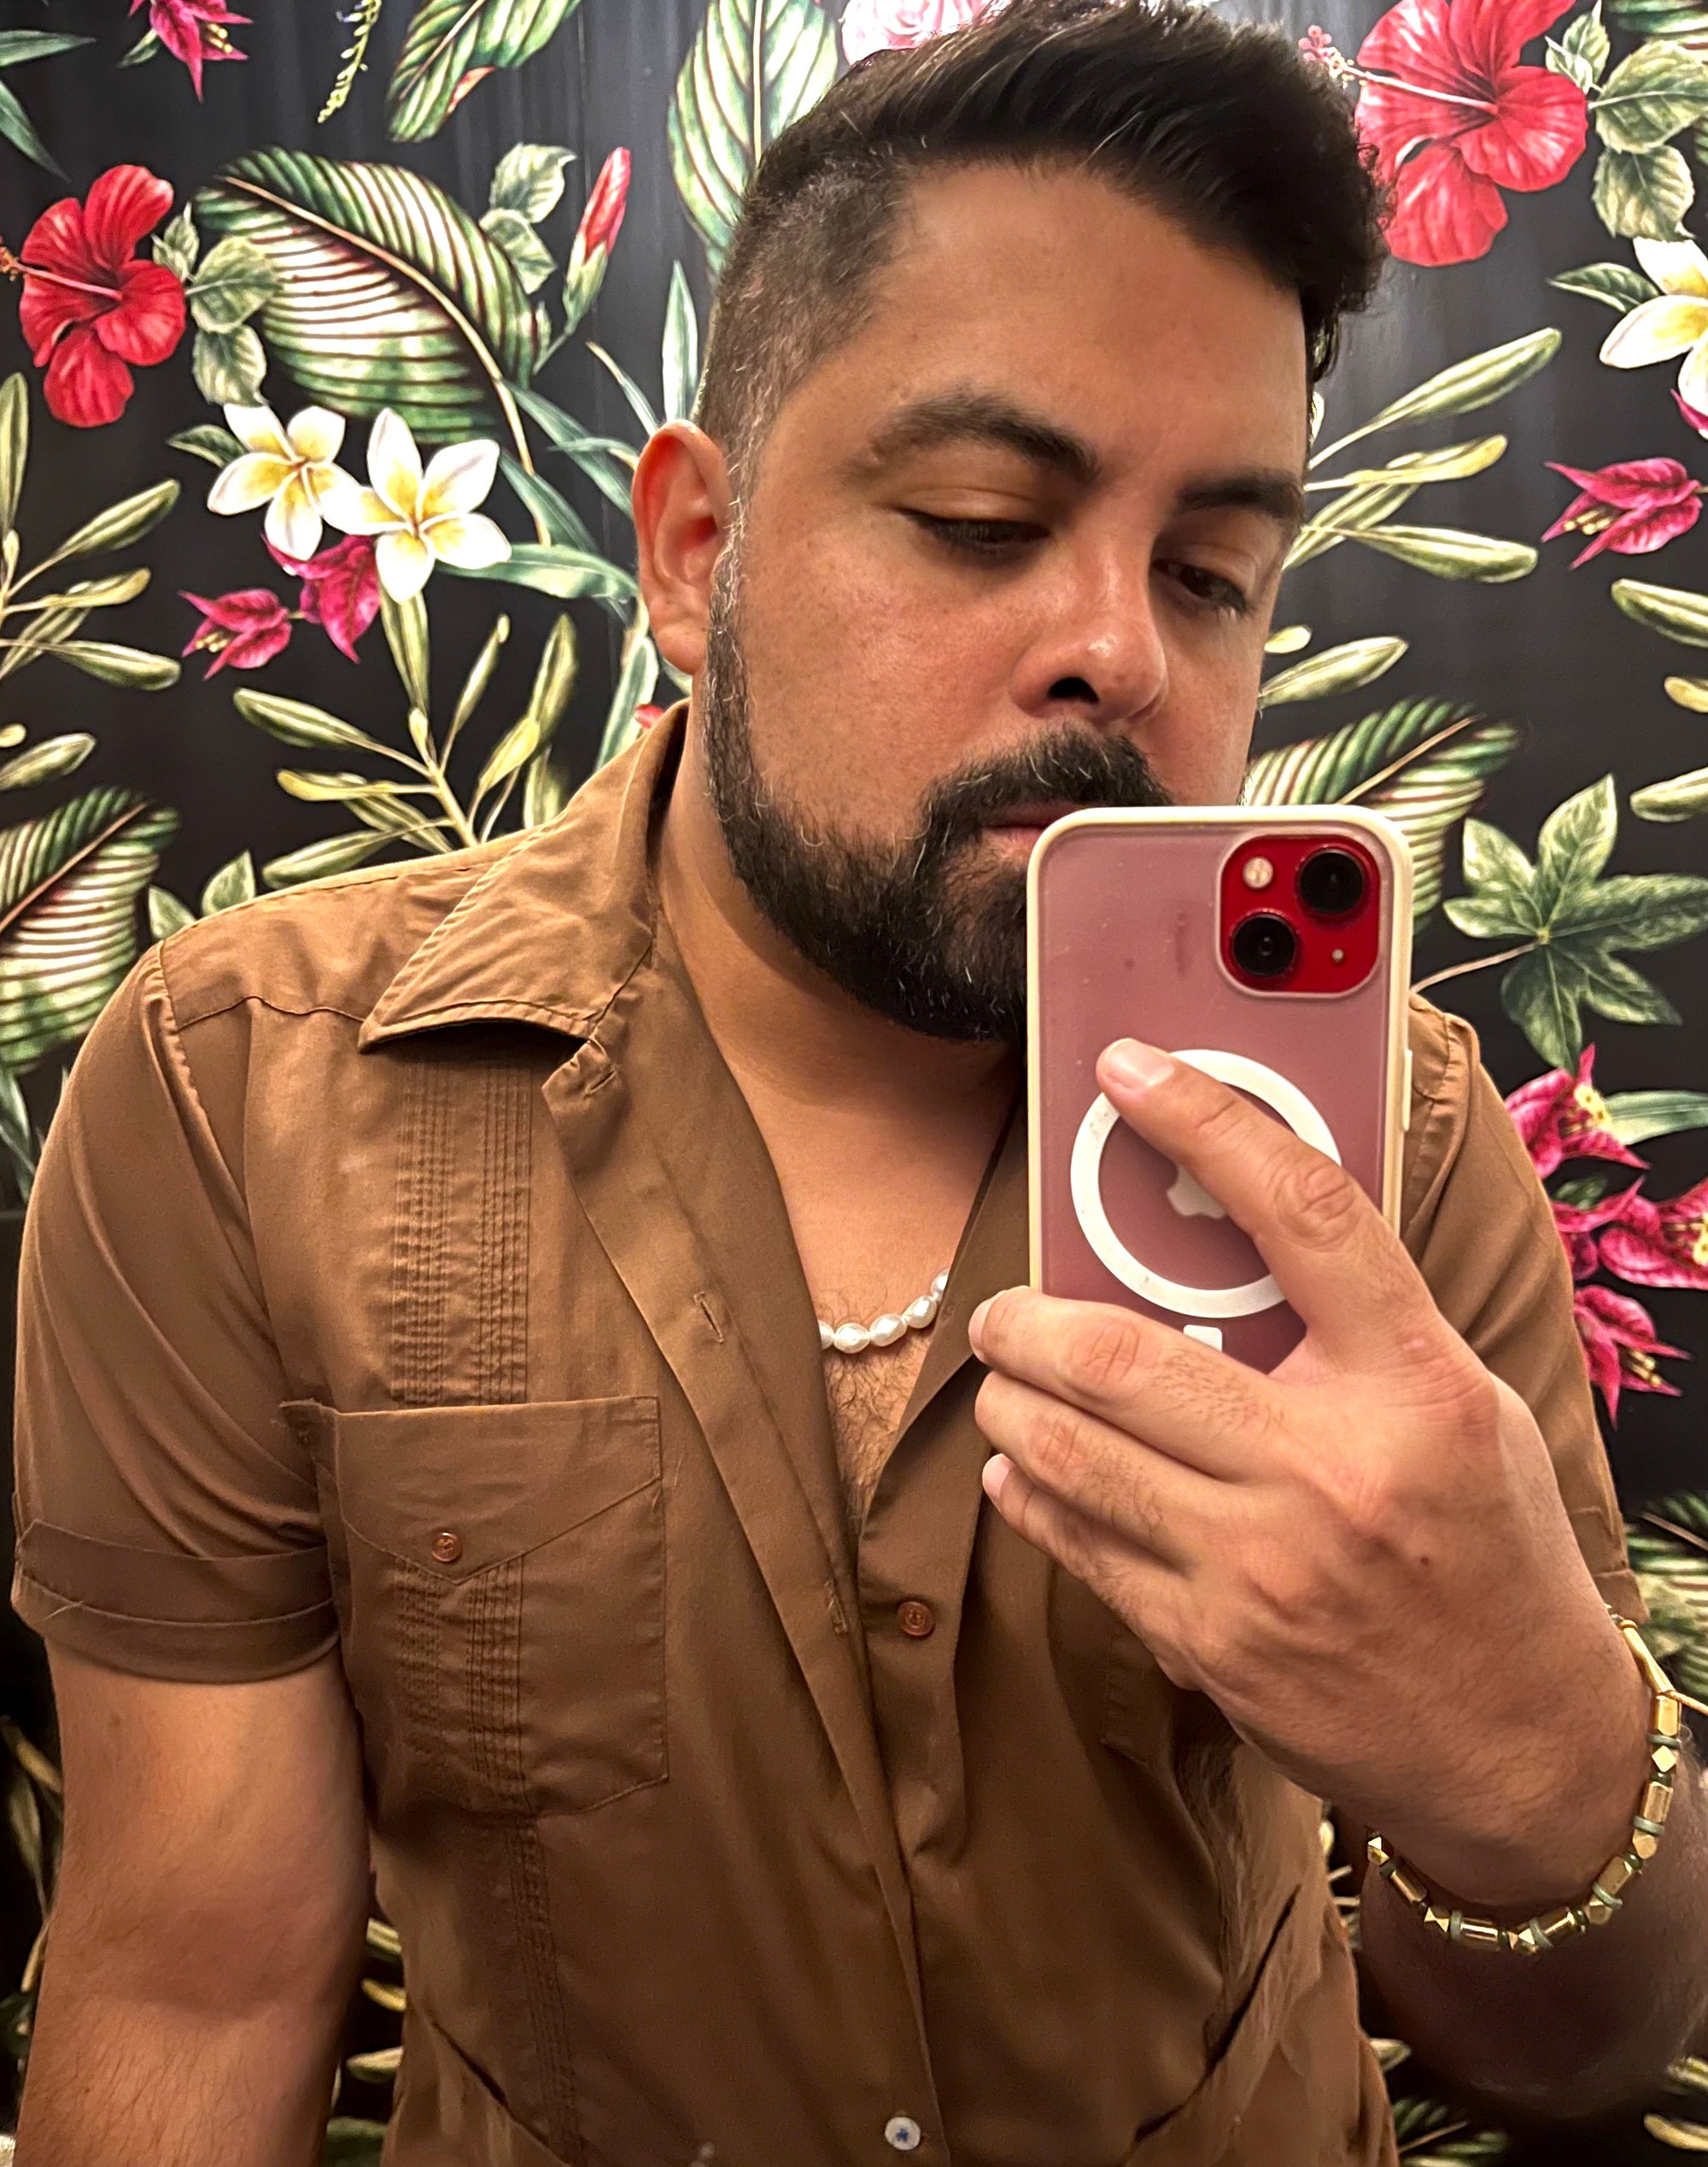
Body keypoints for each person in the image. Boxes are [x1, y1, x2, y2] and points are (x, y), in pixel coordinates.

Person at [12, 3, 1708, 2161]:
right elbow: (190, 1982)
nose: (1122, 649)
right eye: (984, 521)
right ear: (693, 553)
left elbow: (1569, 2055)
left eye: (1212, 576)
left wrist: (1531, 1761)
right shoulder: (235, 1099)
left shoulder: (1390, 1140)